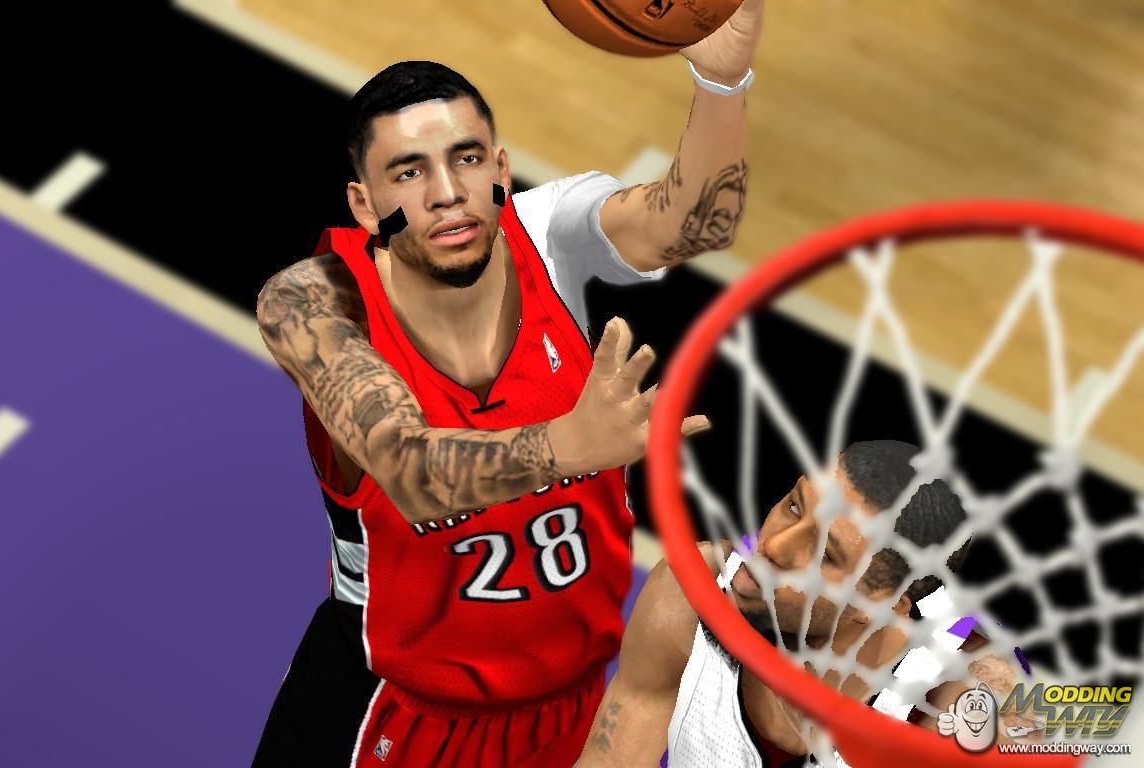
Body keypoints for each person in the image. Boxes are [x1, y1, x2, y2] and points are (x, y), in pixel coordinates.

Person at [251, 3, 764, 764]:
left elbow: (695, 223)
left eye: (465, 159)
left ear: (499, 169)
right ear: (363, 204)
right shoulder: (313, 301)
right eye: (408, 172)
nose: (446, 192)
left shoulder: (549, 231)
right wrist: (568, 445)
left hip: (570, 705)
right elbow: (409, 470)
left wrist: (723, 82)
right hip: (392, 716)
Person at [574, 440, 1041, 767]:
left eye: (823, 552)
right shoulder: (689, 591)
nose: (774, 545)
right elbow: (609, 759)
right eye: (794, 506)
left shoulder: (968, 710)